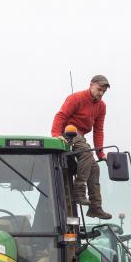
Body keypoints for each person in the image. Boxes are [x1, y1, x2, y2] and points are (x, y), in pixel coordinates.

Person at [51, 75, 112, 219]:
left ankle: (95, 207)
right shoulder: (76, 98)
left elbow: (98, 130)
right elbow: (60, 116)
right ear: (91, 85)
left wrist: (100, 154)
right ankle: (78, 191)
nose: (101, 93)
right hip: (69, 132)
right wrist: (55, 135)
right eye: (99, 89)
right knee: (85, 153)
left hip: (81, 136)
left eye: (104, 91)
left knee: (94, 168)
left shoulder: (101, 106)